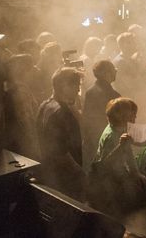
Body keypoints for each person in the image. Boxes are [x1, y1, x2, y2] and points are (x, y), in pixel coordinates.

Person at [35, 67, 86, 199]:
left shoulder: (45, 105)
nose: (78, 90)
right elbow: (60, 151)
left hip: (50, 173)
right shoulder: (61, 113)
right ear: (65, 86)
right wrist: (79, 172)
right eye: (76, 86)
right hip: (65, 179)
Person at [82, 59, 121, 171]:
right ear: (106, 73)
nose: (115, 72)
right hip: (108, 140)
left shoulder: (90, 91)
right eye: (114, 70)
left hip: (91, 139)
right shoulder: (113, 95)